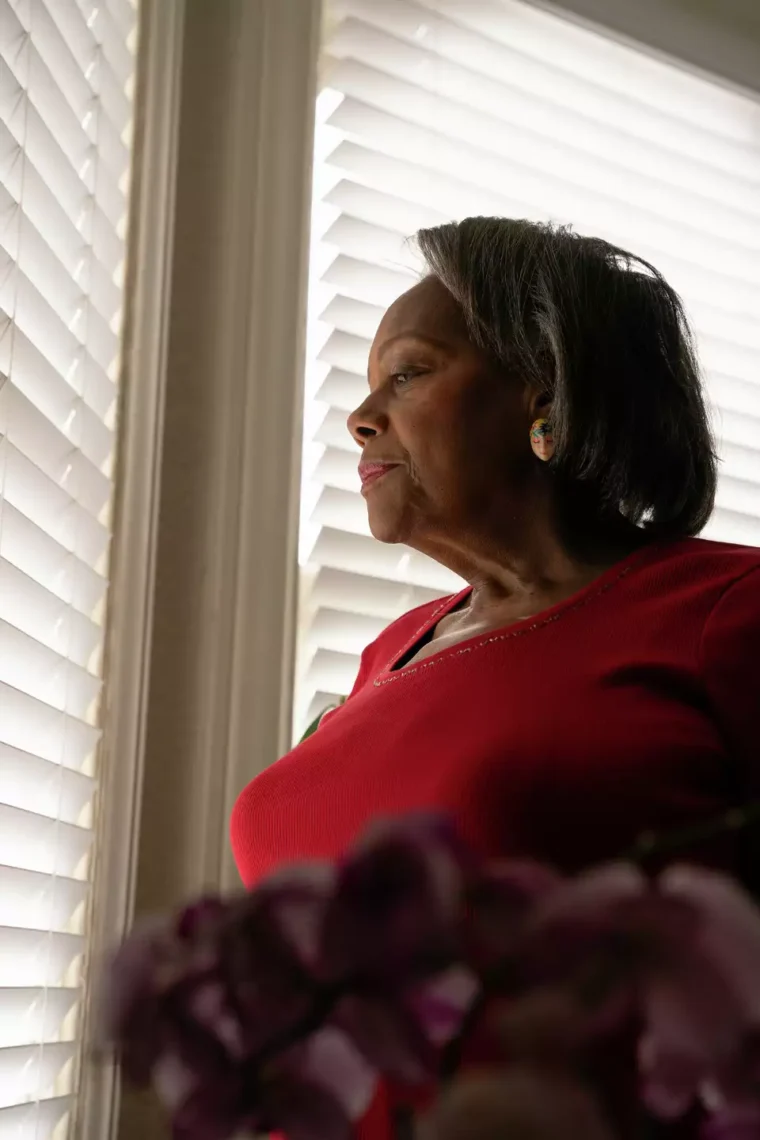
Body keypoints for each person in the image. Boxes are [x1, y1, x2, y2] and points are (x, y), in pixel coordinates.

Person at [230, 217, 760, 1138]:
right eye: (367, 387)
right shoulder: (390, 653)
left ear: (545, 391)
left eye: (410, 371)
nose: (362, 418)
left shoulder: (728, 610)